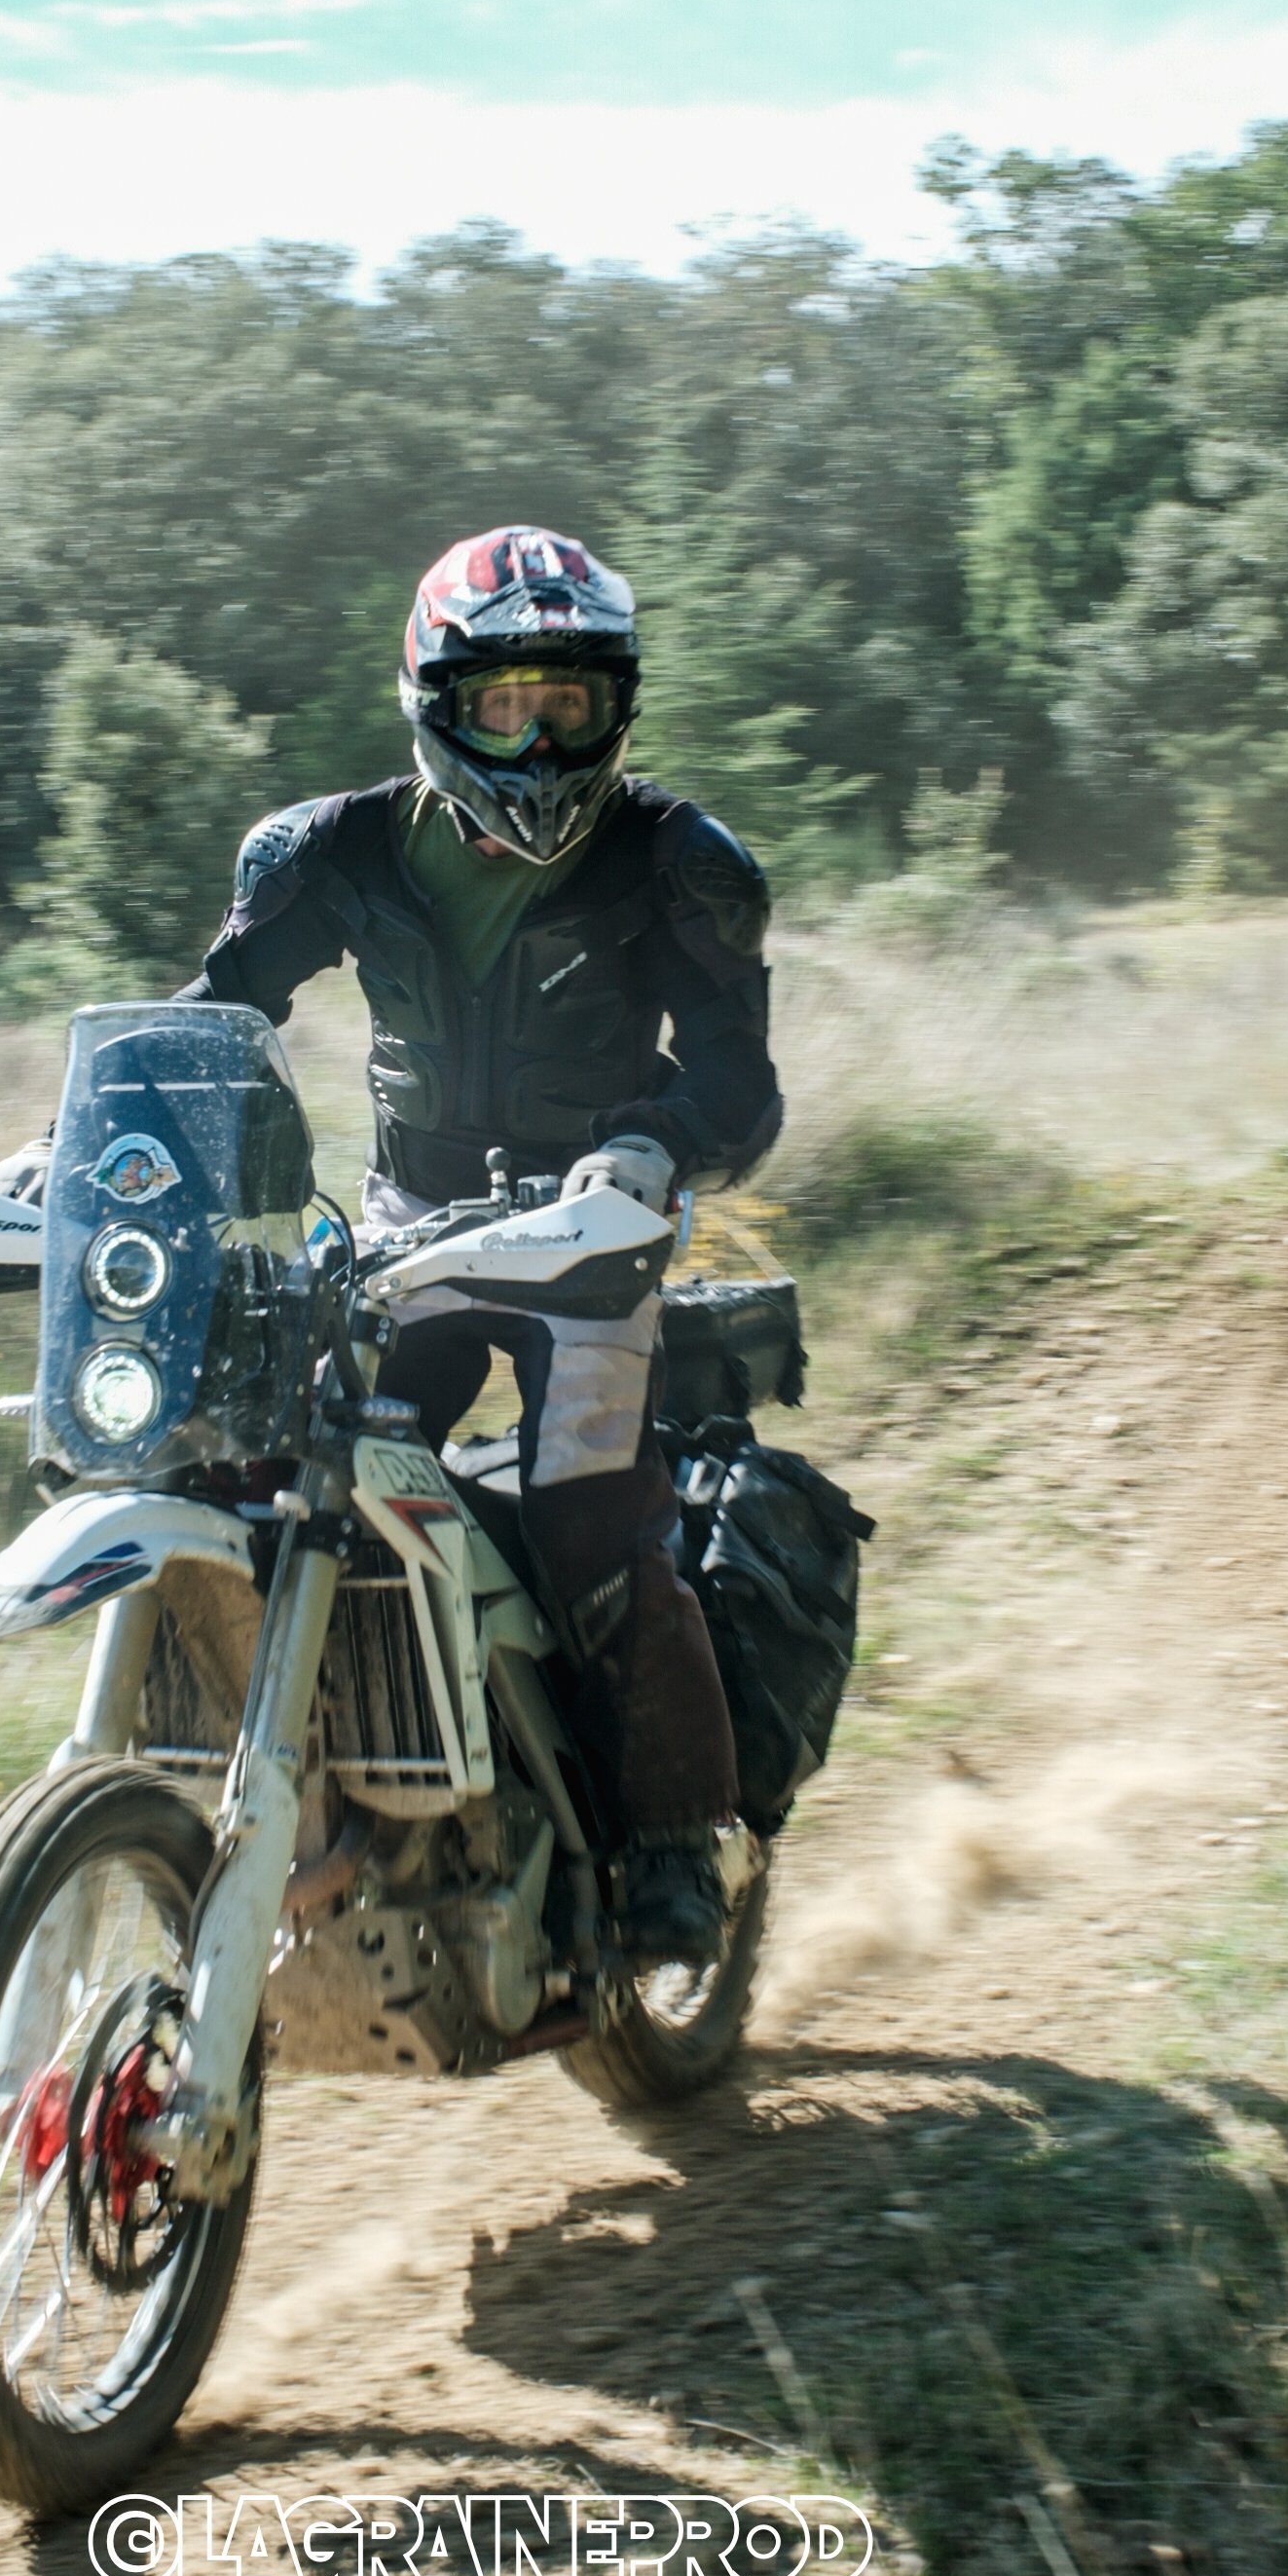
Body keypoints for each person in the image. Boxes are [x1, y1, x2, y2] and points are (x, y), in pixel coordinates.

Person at [177, 524, 783, 1965]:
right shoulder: (333, 851)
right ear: (436, 698)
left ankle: (673, 1845)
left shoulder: (678, 861)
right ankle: (332, 1799)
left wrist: (651, 1143)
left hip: (591, 1232)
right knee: (290, 1483)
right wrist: (103, 1142)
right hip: (401, 1230)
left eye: (567, 702)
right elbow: (212, 1015)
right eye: (503, 700)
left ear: (614, 704)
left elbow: (740, 1079)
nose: (537, 735)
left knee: (590, 1515)